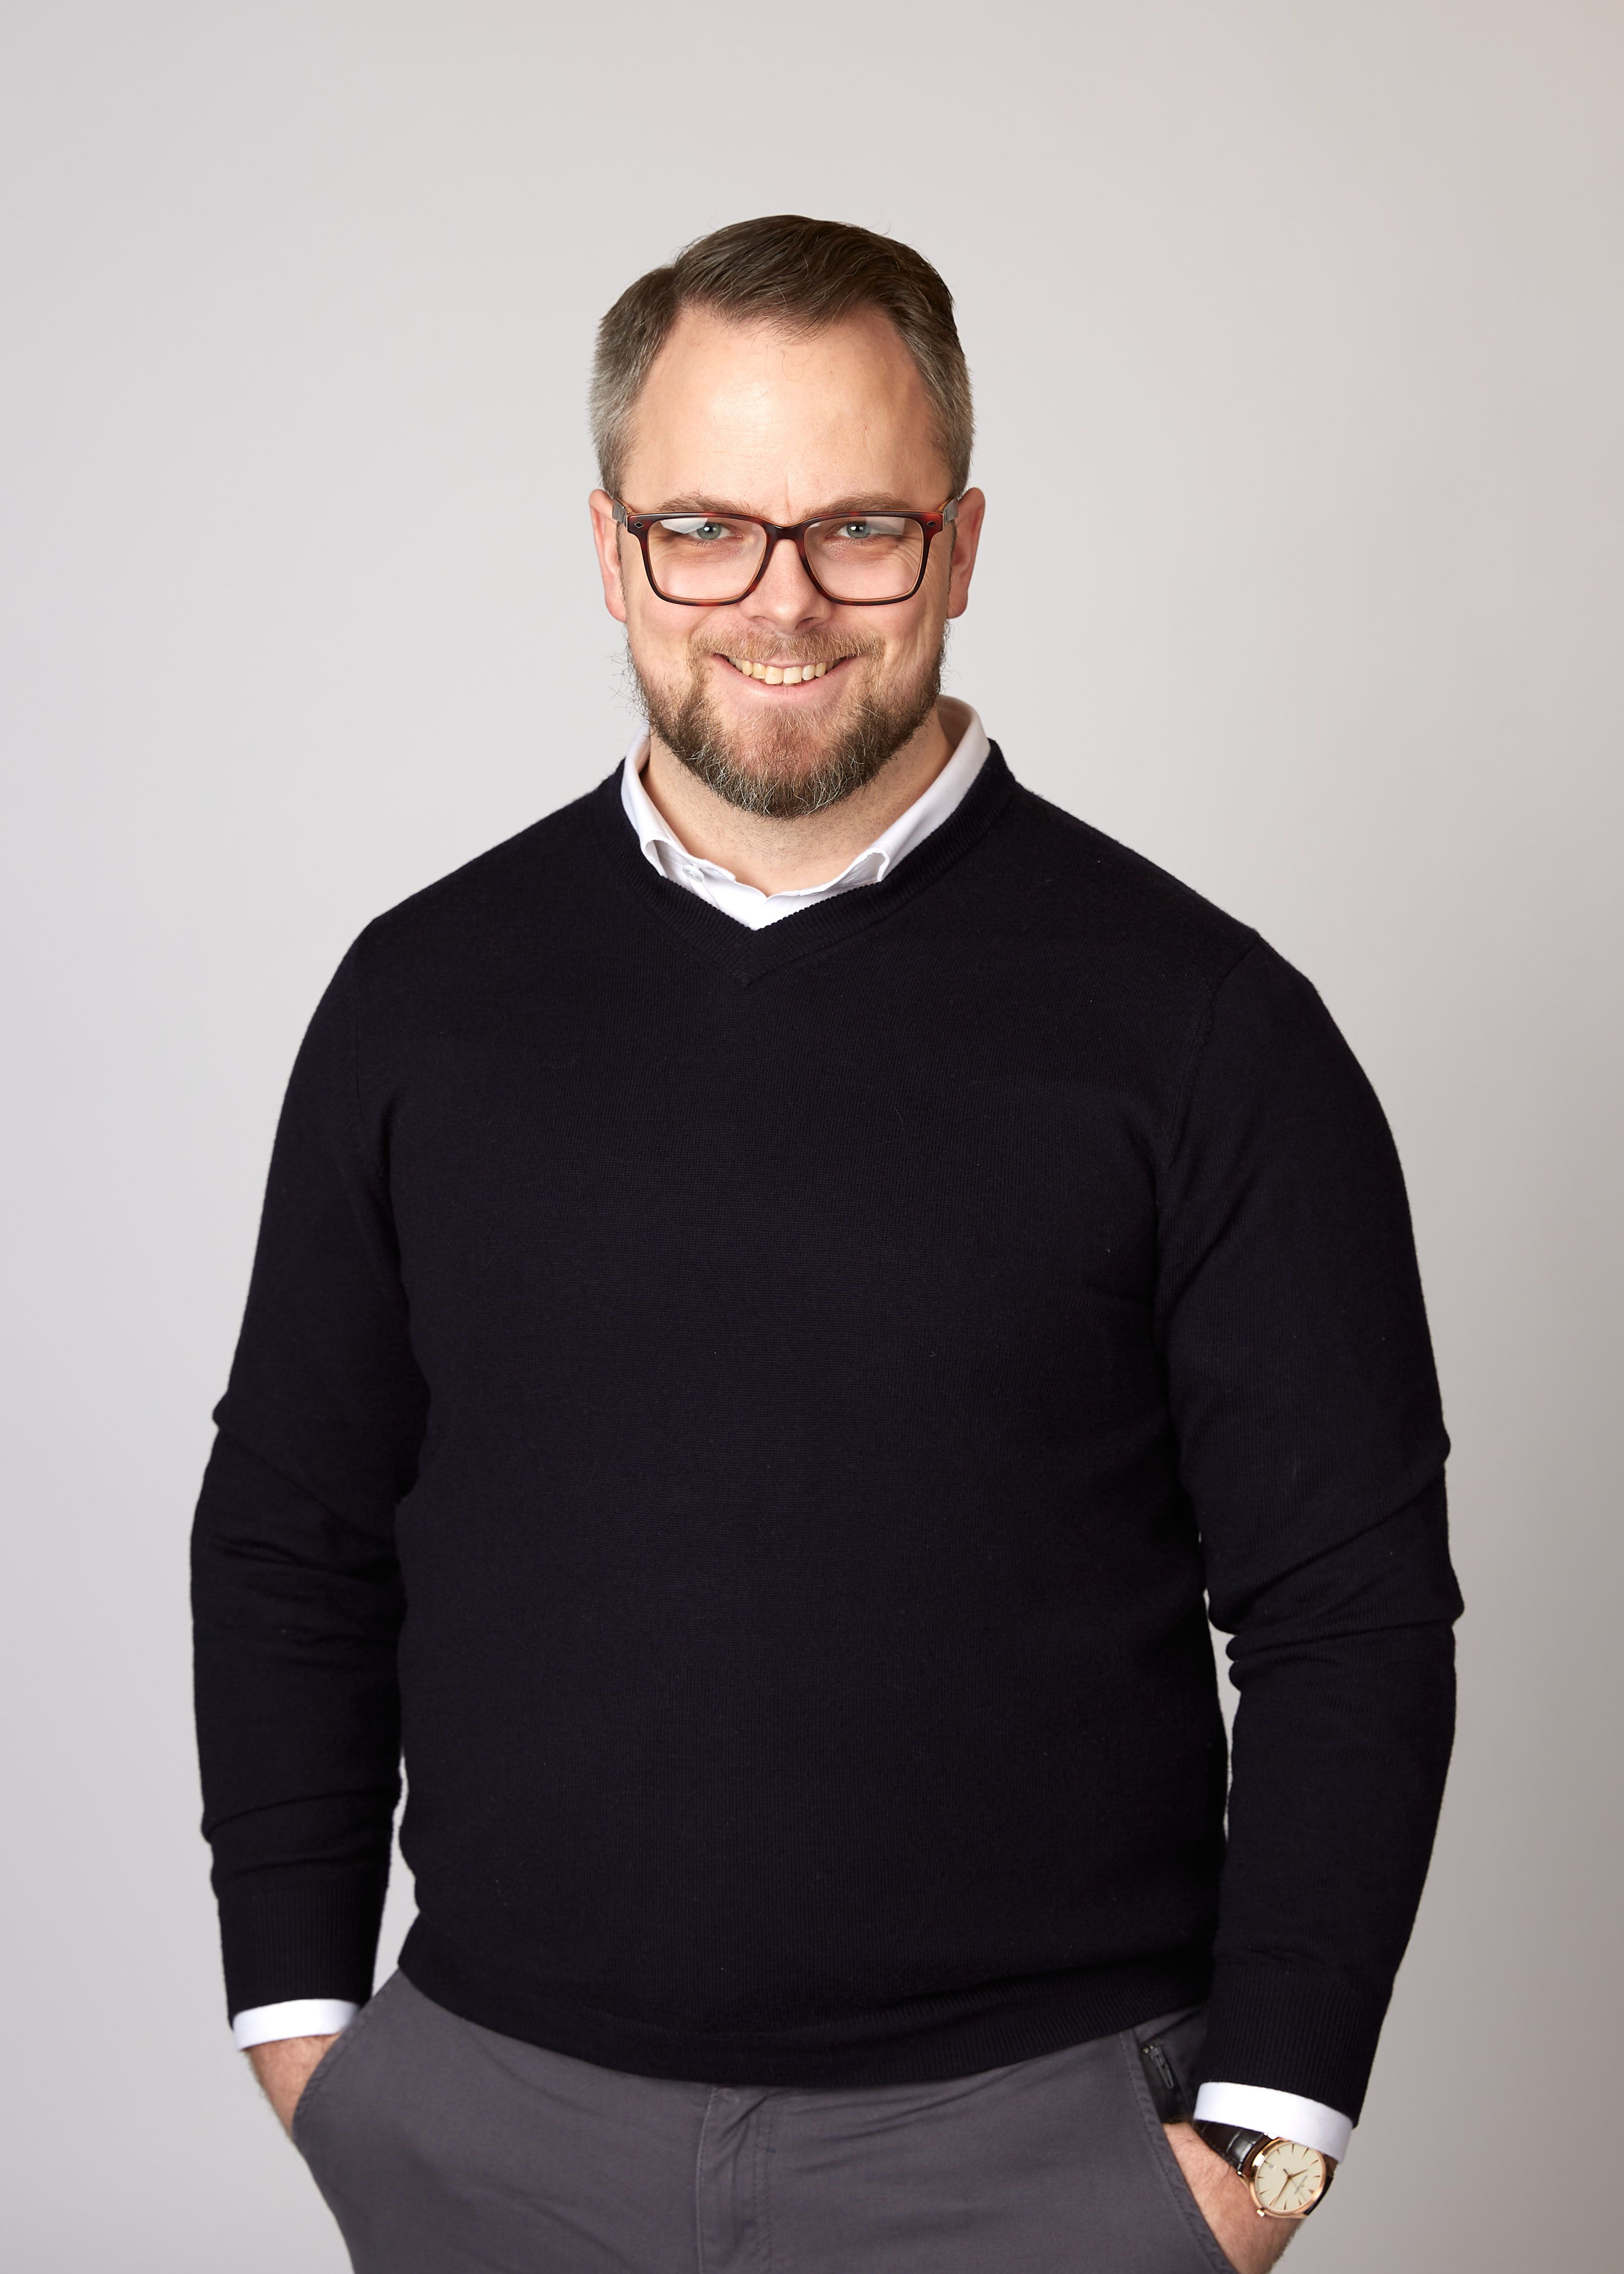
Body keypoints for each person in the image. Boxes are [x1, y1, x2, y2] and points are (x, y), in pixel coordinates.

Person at [192, 214, 1460, 2274]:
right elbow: (288, 1532)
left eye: (857, 528)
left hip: (1042, 2157)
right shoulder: (420, 999)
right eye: (703, 529)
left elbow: (1349, 1610)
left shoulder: (1206, 1027)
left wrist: (1265, 2150)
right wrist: (303, 2031)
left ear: (958, 549)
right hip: (490, 2140)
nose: (778, 601)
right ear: (612, 553)